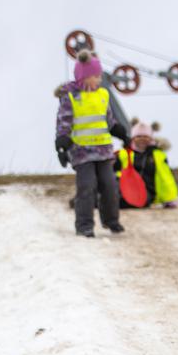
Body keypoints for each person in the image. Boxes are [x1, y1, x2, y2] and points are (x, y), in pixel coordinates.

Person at [54, 50, 130, 237]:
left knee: (110, 185)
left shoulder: (103, 95)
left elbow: (109, 121)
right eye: (95, 76)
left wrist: (121, 133)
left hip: (103, 151)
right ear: (84, 76)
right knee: (87, 186)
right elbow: (64, 123)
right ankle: (84, 225)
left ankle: (111, 220)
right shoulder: (71, 97)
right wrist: (62, 145)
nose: (98, 79)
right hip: (81, 153)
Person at [113, 120, 178, 209]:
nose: (142, 139)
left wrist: (169, 199)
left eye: (145, 136)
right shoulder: (124, 153)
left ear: (151, 138)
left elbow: (165, 177)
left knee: (130, 202)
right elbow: (113, 172)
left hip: (147, 192)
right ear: (133, 138)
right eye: (138, 136)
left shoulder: (157, 155)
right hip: (125, 189)